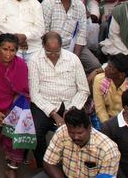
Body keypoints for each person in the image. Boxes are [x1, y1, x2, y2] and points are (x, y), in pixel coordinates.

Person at [28, 32, 90, 166]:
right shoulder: (34, 60)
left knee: (80, 130)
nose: (53, 55)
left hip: (70, 103)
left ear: (62, 46)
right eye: (49, 52)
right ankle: (44, 163)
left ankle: (74, 163)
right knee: (35, 131)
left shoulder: (73, 59)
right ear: (43, 46)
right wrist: (54, 114)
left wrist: (71, 109)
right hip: (45, 104)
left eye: (57, 51)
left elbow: (83, 89)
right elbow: (34, 94)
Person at [41, 107, 121, 178]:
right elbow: (48, 163)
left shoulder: (109, 150)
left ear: (89, 128)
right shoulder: (62, 132)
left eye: (80, 133)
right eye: (71, 132)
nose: (75, 137)